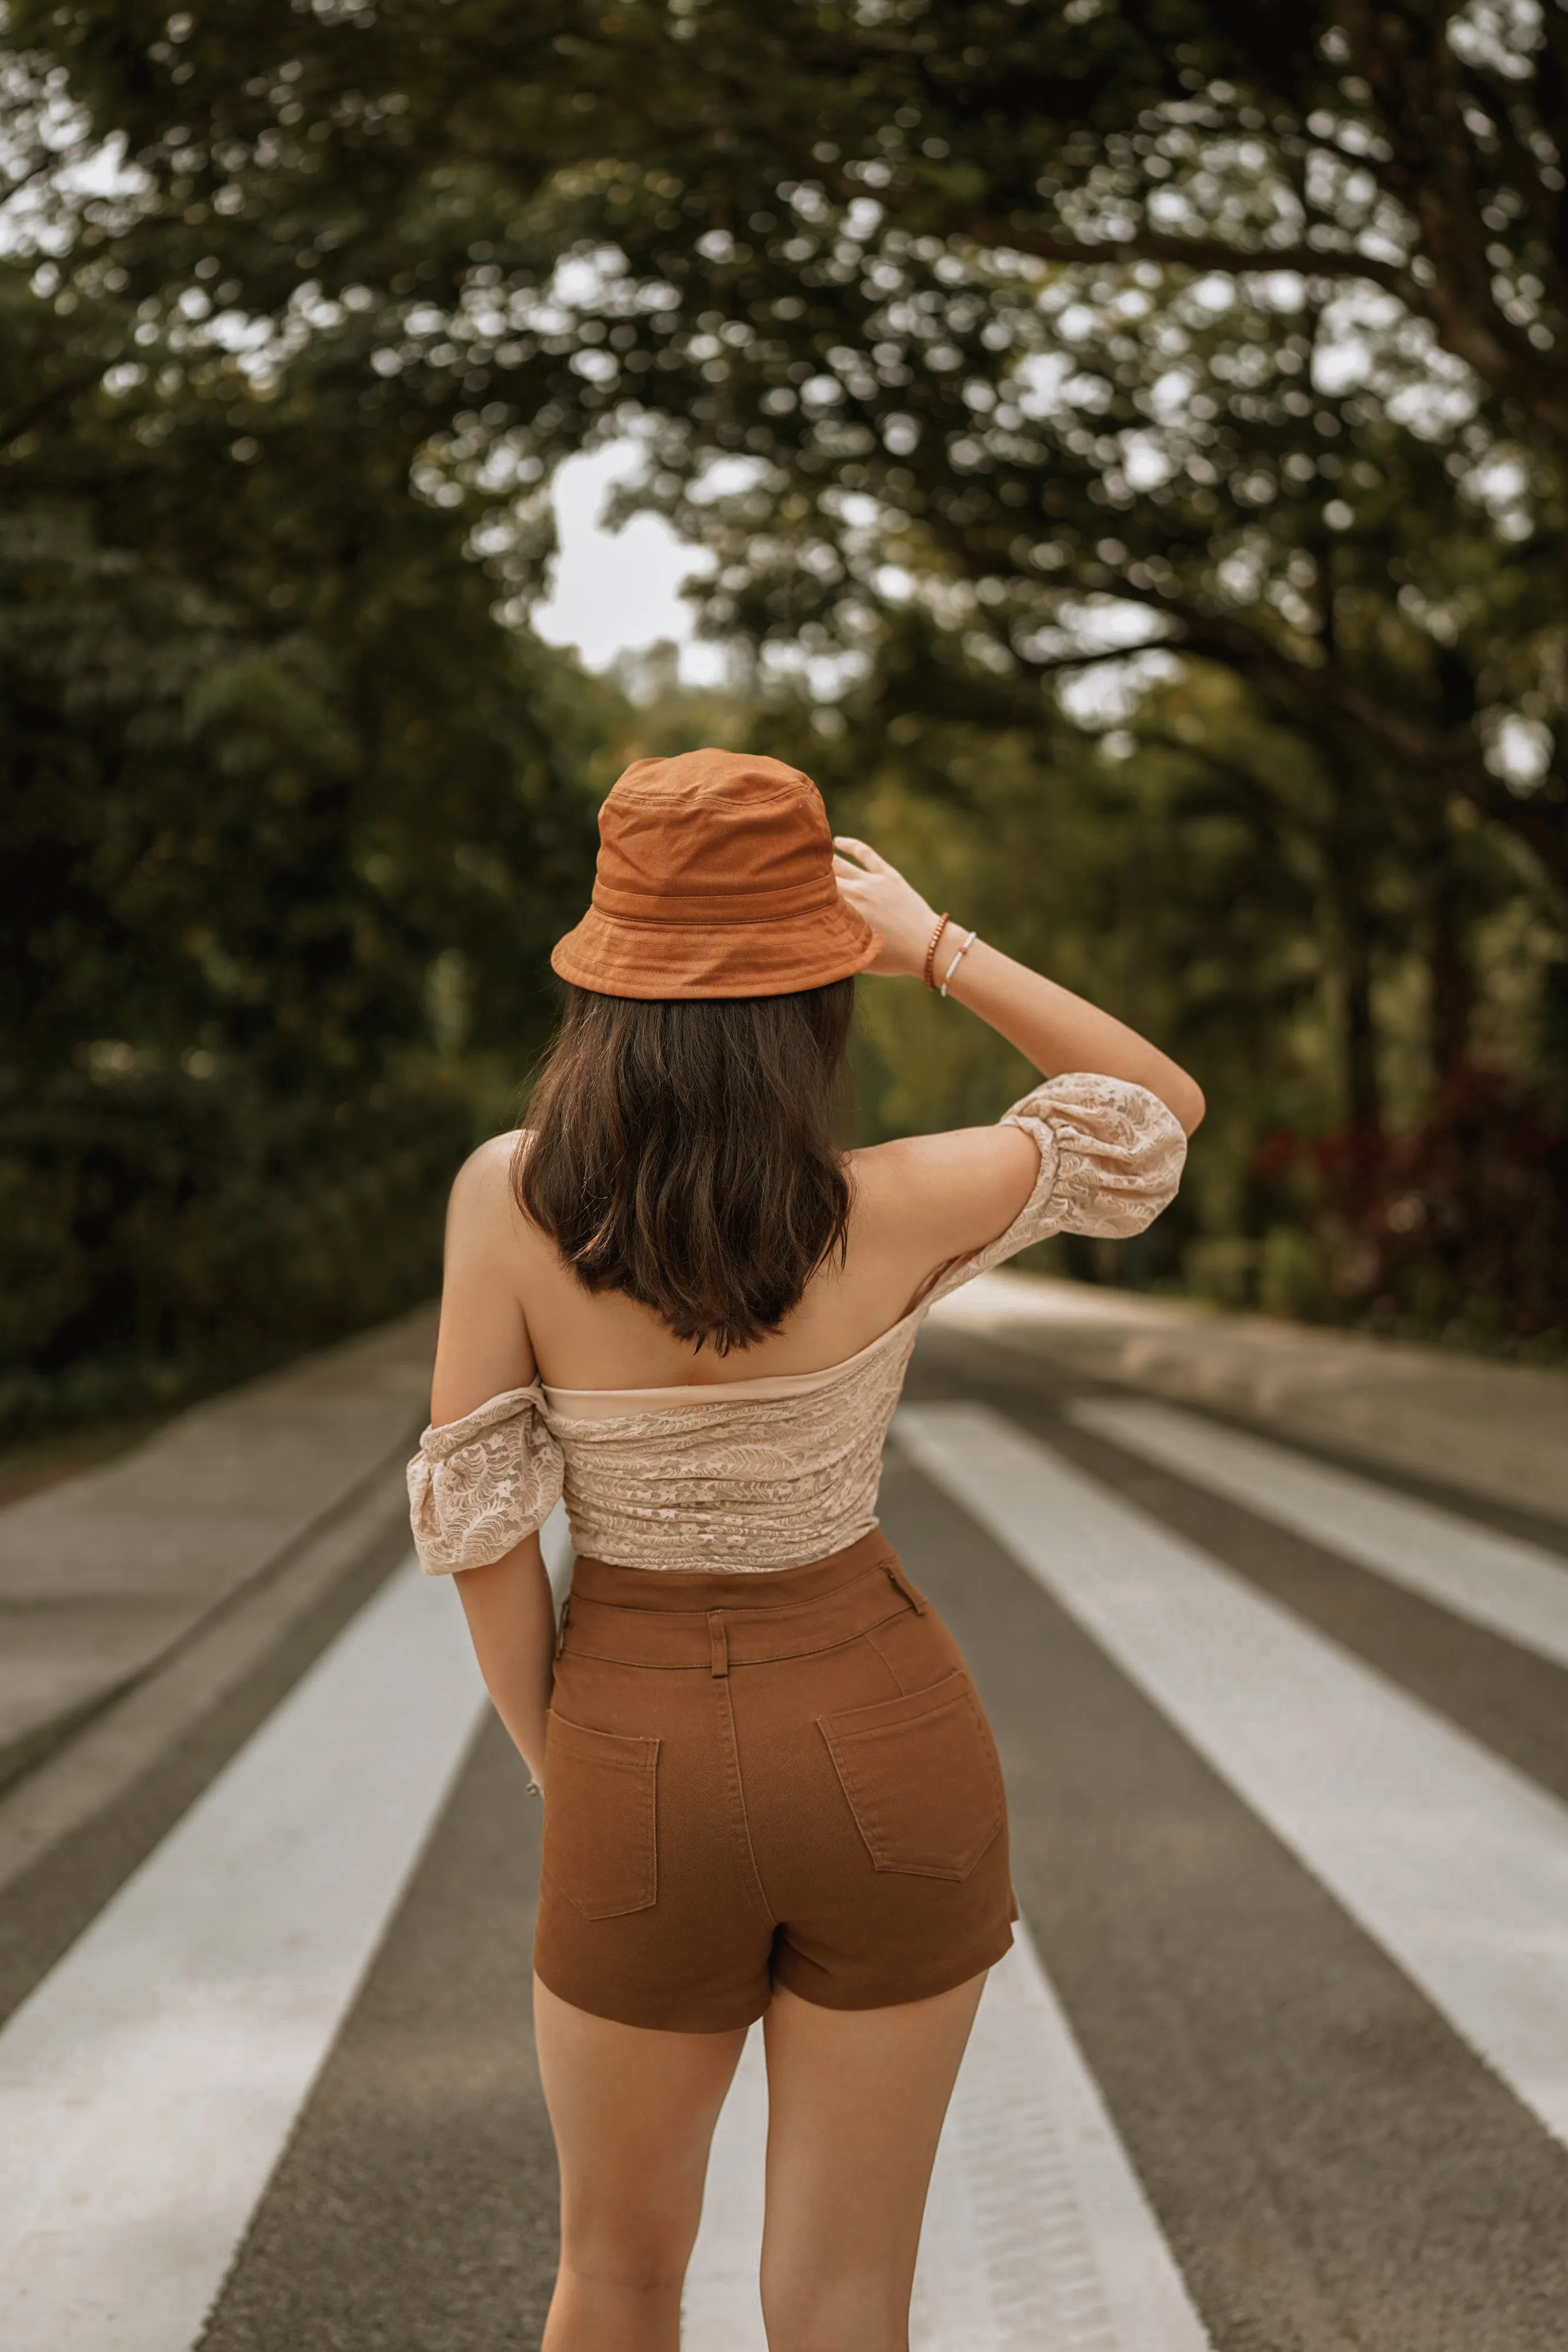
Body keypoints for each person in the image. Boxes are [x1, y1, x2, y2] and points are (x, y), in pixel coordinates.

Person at [407, 747, 1202, 2352]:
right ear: (815, 1000)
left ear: (607, 988)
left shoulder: (509, 1199)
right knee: (847, 2299)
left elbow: (485, 1531)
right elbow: (1154, 1117)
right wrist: (941, 946)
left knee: (614, 2278)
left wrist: (577, 1767)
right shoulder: (901, 1201)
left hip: (637, 1749)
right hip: (892, 1738)